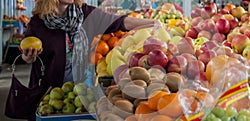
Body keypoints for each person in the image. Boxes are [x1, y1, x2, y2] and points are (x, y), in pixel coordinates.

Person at [20, 0, 161, 120]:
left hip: (81, 87)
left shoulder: (85, 14)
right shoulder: (37, 23)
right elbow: (26, 53)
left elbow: (120, 22)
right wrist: (27, 57)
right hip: (49, 91)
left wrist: (152, 22)